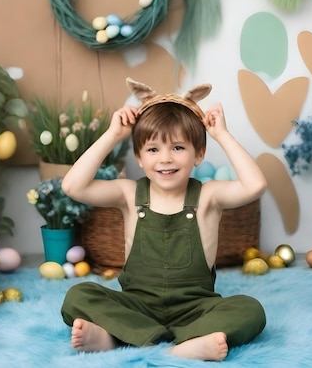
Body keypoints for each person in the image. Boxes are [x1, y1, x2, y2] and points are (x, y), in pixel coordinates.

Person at [60, 78, 267, 361]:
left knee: (251, 309)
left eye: (178, 148)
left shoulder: (208, 197)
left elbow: (255, 185)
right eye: (153, 149)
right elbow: (73, 187)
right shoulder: (129, 193)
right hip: (136, 306)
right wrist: (112, 135)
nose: (165, 159)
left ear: (199, 154)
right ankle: (146, 338)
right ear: (139, 157)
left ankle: (134, 338)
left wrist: (222, 135)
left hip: (196, 309)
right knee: (78, 296)